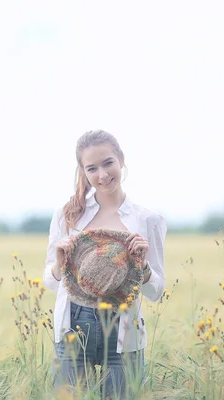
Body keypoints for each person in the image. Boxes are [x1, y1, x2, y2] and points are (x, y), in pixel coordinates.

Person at [42, 130, 167, 399]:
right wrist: (58, 264)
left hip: (124, 328)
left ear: (121, 160)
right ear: (83, 171)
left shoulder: (148, 220)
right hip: (74, 324)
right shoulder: (67, 214)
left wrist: (143, 268)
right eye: (92, 168)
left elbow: (156, 291)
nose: (102, 174)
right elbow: (50, 281)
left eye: (108, 162)